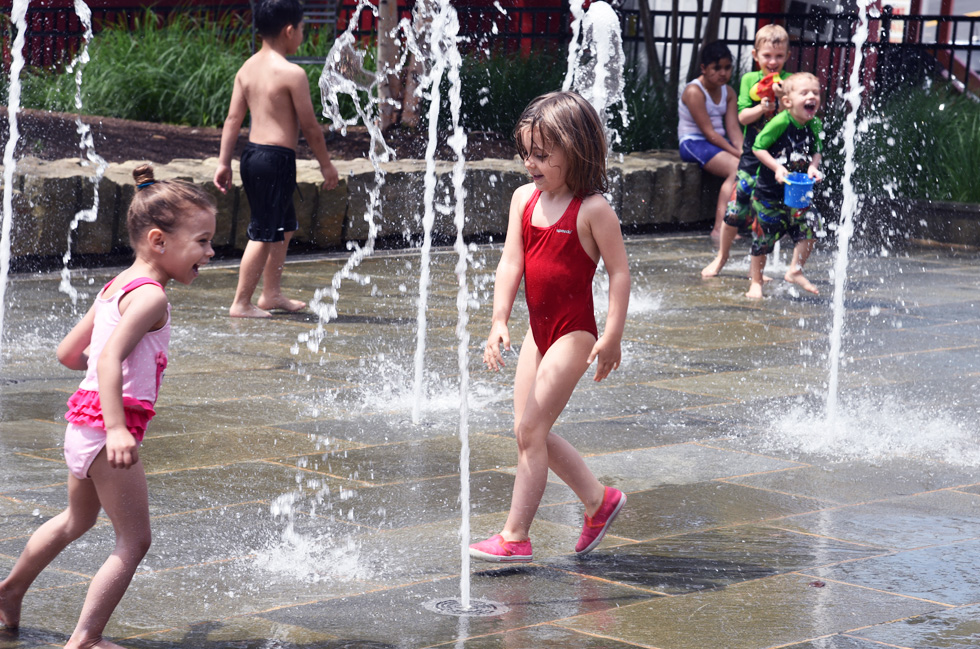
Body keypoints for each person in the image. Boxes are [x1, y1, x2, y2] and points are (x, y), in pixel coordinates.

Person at [0, 165, 215, 647]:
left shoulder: (116, 286)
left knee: (76, 521)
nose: (210, 251)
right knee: (134, 541)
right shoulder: (151, 298)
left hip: (83, 423)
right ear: (159, 241)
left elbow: (70, 354)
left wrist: (105, 378)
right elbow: (110, 359)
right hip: (106, 430)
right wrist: (117, 428)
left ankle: (9, 591)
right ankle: (86, 638)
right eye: (201, 241)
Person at [469, 91, 630, 563]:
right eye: (526, 154)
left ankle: (516, 537)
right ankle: (599, 501)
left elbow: (619, 273)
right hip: (538, 334)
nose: (531, 164)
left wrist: (612, 334)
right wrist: (499, 319)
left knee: (533, 430)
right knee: (526, 431)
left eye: (542, 155)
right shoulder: (524, 199)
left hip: (574, 333)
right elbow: (510, 263)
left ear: (576, 150)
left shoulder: (592, 209)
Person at [213, 0, 340, 318]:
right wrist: (326, 164)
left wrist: (223, 162)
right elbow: (310, 127)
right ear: (289, 30)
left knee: (283, 227)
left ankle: (271, 294)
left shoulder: (246, 68)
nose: (302, 33)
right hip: (275, 160)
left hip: (254, 156)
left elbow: (232, 120)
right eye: (302, 28)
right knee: (263, 231)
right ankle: (241, 302)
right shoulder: (292, 74)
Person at [702, 24, 791, 278]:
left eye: (779, 56)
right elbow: (743, 117)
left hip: (777, 160)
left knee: (766, 214)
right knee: (735, 210)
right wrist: (763, 107)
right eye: (767, 56)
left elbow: (794, 117)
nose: (773, 61)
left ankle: (758, 271)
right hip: (752, 158)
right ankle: (722, 256)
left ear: (786, 56)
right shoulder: (750, 80)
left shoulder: (789, 81)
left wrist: (783, 102)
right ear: (755, 55)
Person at [746, 72, 824, 299]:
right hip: (769, 192)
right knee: (763, 237)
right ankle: (756, 282)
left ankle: (795, 270)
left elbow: (817, 150)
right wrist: (777, 168)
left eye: (816, 93)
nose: (812, 96)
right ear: (788, 102)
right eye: (805, 93)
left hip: (797, 192)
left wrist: (813, 167)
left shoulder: (814, 123)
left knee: (812, 225)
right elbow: (758, 147)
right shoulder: (781, 121)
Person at [677, 41, 743, 242]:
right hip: (693, 142)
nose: (723, 73)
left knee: (745, 166)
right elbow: (708, 133)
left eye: (727, 67)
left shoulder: (728, 92)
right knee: (736, 168)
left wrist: (742, 150)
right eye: (717, 68)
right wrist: (738, 155)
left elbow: (733, 128)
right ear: (704, 68)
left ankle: (736, 224)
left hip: (716, 142)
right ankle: (719, 228)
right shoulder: (694, 91)